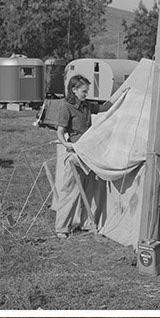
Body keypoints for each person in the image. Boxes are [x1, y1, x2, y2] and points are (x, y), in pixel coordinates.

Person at [53, 75, 101, 238]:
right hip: (75, 153)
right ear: (73, 90)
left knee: (89, 189)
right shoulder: (66, 107)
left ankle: (86, 223)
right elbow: (60, 131)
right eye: (83, 91)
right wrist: (66, 144)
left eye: (87, 91)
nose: (85, 94)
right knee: (71, 190)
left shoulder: (86, 106)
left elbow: (105, 107)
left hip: (88, 152)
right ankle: (62, 227)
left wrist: (124, 94)